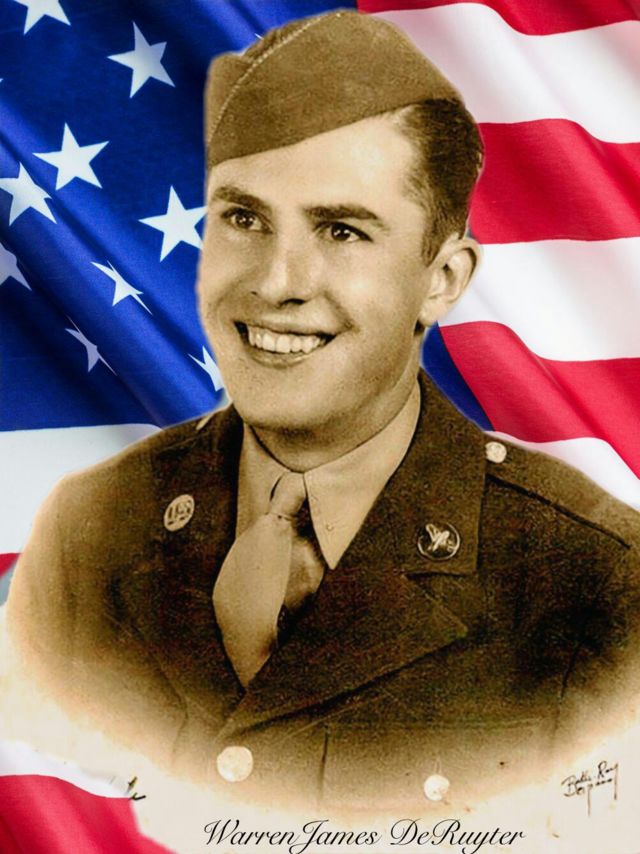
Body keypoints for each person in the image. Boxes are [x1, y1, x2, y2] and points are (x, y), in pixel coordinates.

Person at [4, 10, 640, 813]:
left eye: (341, 230)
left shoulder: (592, 582)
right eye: (244, 219)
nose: (276, 282)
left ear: (442, 279)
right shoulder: (90, 532)